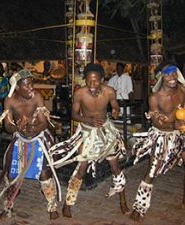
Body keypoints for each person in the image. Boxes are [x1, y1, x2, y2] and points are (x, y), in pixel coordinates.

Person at [49, 63, 129, 218]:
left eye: (96, 81)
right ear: (85, 80)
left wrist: (115, 111)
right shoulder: (80, 93)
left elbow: (115, 107)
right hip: (87, 131)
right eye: (89, 81)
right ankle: (68, 204)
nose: (92, 85)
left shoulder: (109, 92)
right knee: (81, 168)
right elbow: (74, 115)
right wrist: (88, 120)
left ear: (102, 80)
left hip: (106, 131)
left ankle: (123, 201)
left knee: (115, 167)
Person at [130, 63, 185, 222]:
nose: (172, 78)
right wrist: (172, 125)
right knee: (152, 172)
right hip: (163, 135)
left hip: (182, 133)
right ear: (161, 77)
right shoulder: (155, 98)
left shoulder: (183, 90)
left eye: (174, 74)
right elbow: (156, 122)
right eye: (168, 75)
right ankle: (139, 207)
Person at [0, 69, 61, 220]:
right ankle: (8, 206)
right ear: (17, 87)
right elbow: (7, 126)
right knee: (11, 174)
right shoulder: (9, 101)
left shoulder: (36, 97)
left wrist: (32, 128)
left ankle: (52, 205)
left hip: (39, 139)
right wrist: (18, 128)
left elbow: (43, 123)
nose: (31, 88)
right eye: (27, 85)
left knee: (44, 174)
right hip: (20, 140)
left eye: (32, 84)